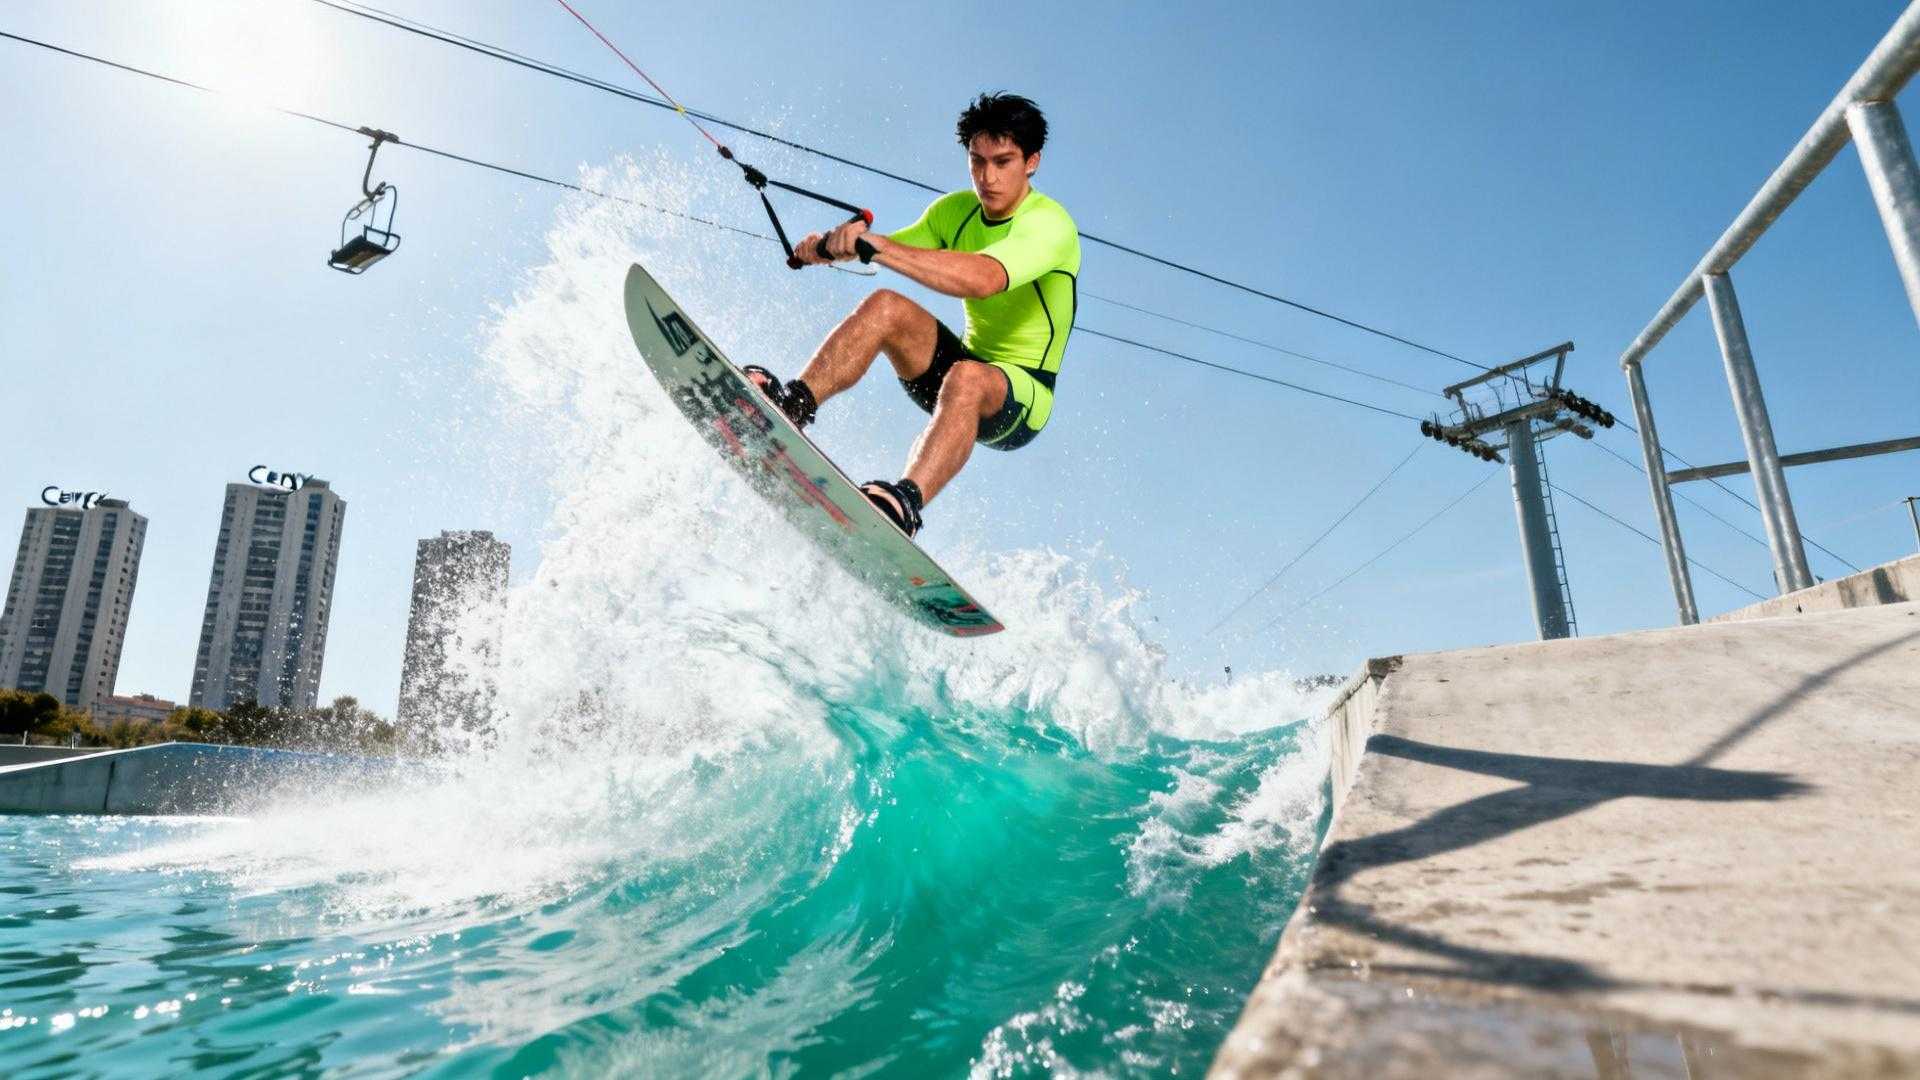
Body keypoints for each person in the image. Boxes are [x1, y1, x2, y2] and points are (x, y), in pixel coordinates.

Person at [744, 92, 1080, 538]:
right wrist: (826, 248)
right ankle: (793, 405)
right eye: (977, 161)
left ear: (1031, 162)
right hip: (957, 372)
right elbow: (893, 248)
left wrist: (879, 247)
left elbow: (982, 277)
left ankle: (903, 504)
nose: (988, 177)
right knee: (886, 306)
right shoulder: (955, 211)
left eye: (1003, 162)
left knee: (968, 377)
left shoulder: (1050, 224)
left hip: (1020, 399)